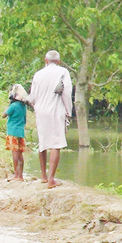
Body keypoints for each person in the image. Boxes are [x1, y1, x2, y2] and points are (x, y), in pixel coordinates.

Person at [29, 50, 73, 188]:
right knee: (56, 143)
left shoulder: (38, 74)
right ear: (59, 61)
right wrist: (68, 111)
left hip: (40, 111)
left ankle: (43, 176)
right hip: (55, 110)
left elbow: (32, 98)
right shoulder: (63, 72)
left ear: (45, 60)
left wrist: (37, 108)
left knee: (43, 142)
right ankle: (51, 179)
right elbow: (66, 93)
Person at [3, 84, 29, 181]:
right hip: (21, 132)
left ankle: (16, 175)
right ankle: (21, 175)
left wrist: (8, 105)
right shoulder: (23, 107)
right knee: (20, 154)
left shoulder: (13, 106)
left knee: (14, 154)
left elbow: (4, 115)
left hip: (12, 132)